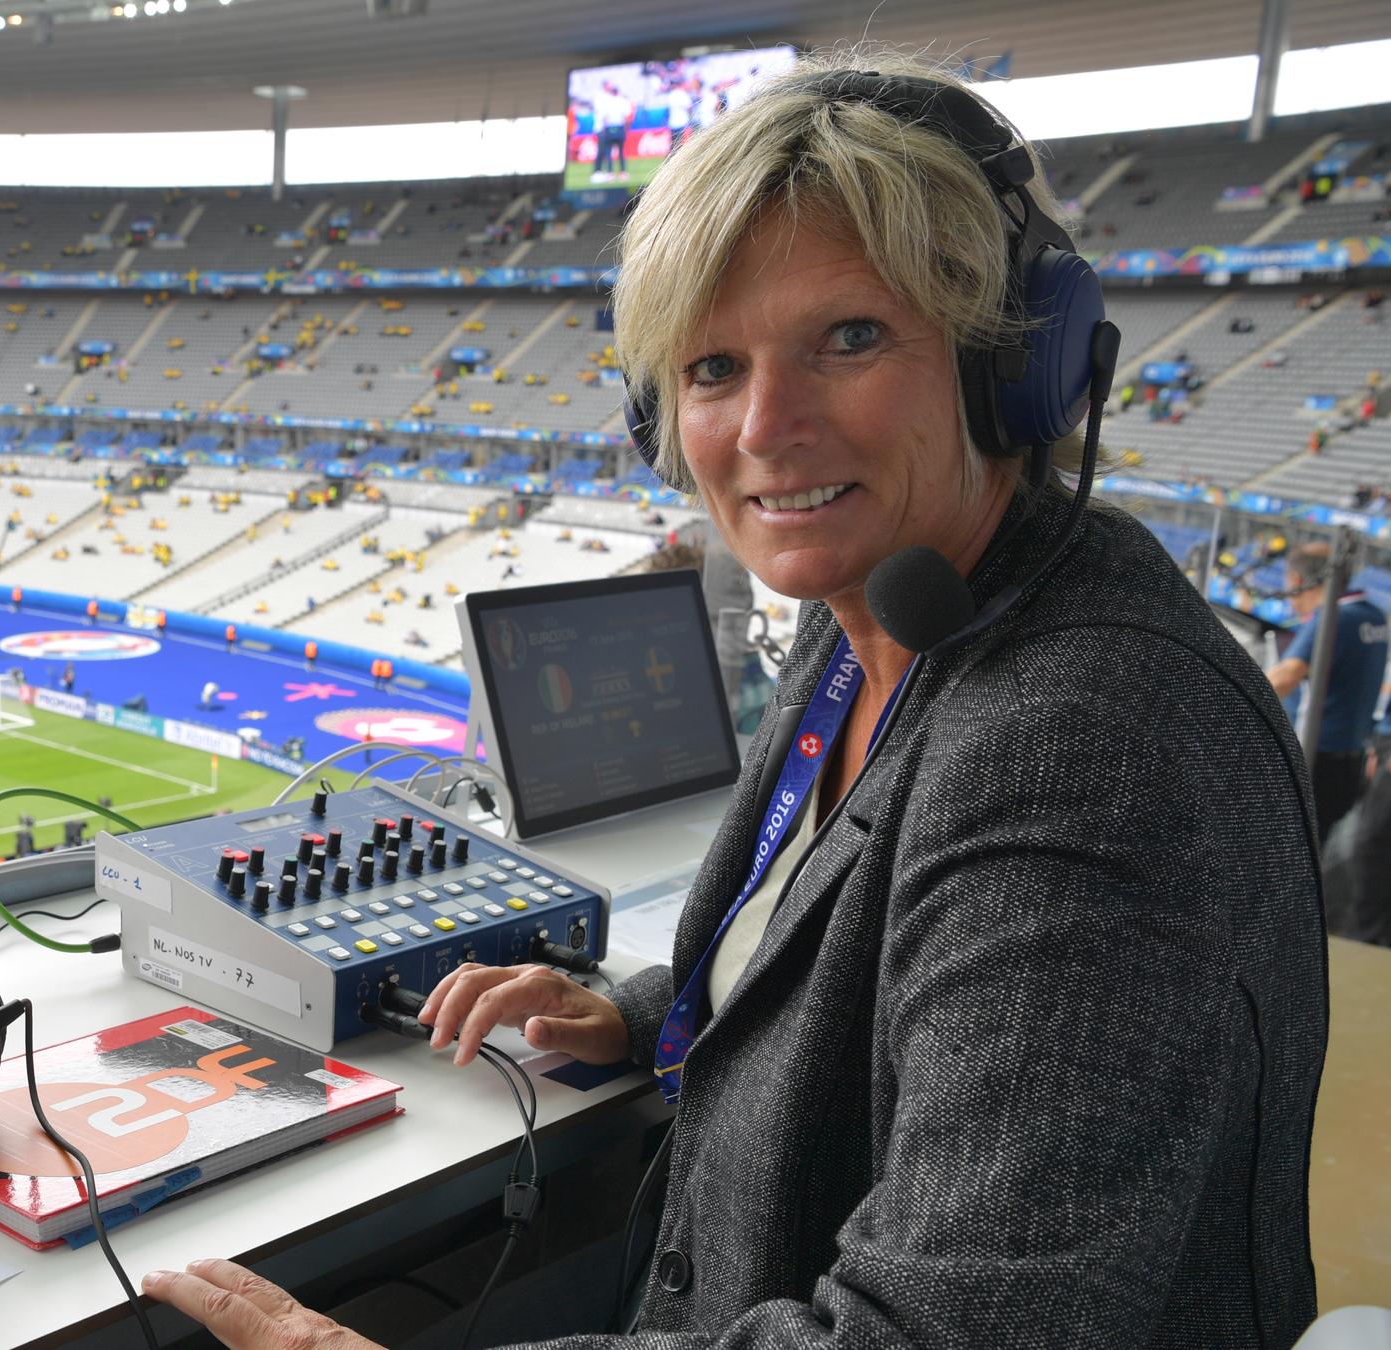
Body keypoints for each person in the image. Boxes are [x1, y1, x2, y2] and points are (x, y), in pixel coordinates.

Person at [144, 54, 1324, 1350]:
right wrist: (649, 1011)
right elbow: (852, 959)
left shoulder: (1088, 735)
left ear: (1015, 363)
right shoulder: (878, 606)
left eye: (851, 337)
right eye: (712, 366)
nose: (767, 423)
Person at [1267, 542, 1390, 841]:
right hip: (1351, 758)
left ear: (1297, 579)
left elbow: (1284, 678)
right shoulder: (1373, 616)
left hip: (1313, 759)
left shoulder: (1332, 618)